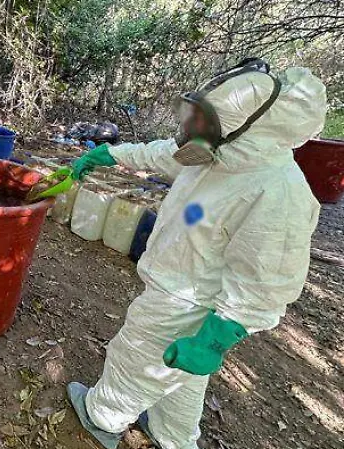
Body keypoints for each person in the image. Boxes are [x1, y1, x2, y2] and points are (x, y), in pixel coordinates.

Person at [65, 60, 327, 449]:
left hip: (187, 298)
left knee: (137, 354)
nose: (191, 127)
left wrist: (215, 340)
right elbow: (165, 155)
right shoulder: (220, 152)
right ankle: (174, 436)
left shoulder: (279, 192)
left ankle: (103, 416)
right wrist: (113, 154)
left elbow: (266, 280)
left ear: (245, 128)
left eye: (203, 120)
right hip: (179, 280)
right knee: (182, 375)